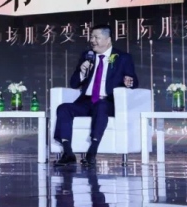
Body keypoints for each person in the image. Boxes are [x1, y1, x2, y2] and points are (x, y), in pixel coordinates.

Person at [53, 24, 138, 166]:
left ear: (108, 40)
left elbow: (134, 81)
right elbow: (74, 84)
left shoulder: (123, 57)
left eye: (96, 37)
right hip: (86, 101)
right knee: (63, 108)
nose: (92, 40)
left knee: (101, 105)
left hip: (108, 102)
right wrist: (82, 71)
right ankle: (68, 152)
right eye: (91, 37)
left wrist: (128, 82)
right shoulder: (87, 56)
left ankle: (92, 152)